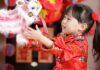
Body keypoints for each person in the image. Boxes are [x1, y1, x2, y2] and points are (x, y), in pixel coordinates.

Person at [24, 4, 100, 70]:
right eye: (65, 17)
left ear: (82, 26)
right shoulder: (65, 38)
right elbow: (49, 44)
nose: (64, 21)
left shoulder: (80, 44)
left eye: (68, 19)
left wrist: (41, 38)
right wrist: (28, 41)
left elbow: (62, 52)